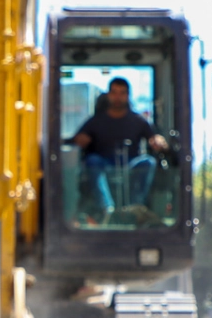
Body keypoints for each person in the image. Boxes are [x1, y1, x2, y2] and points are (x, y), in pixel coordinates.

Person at [72, 77, 169, 217]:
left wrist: (158, 141)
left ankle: (135, 207)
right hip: (104, 165)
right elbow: (77, 139)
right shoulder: (96, 121)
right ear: (108, 95)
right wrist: (80, 140)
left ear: (127, 96)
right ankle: (106, 208)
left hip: (131, 165)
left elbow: (153, 138)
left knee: (148, 162)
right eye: (114, 93)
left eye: (122, 93)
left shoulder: (139, 121)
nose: (118, 97)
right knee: (92, 160)